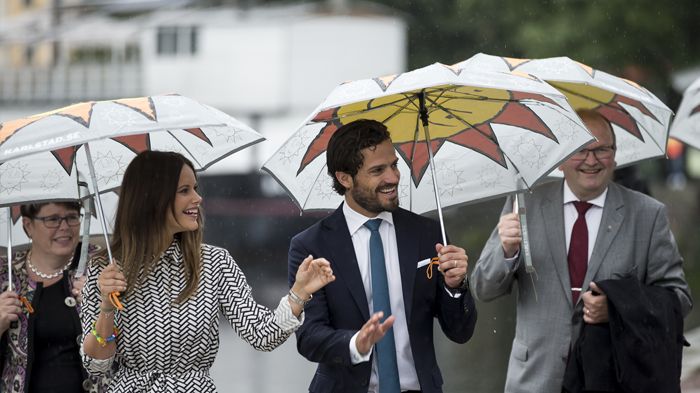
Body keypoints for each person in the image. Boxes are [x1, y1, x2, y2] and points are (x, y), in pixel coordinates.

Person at [471, 109, 692, 393]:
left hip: (612, 378)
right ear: (561, 158)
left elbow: (679, 299)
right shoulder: (524, 204)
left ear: (615, 156)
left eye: (602, 149)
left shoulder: (648, 215)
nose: (591, 160)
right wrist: (506, 251)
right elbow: (483, 288)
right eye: (580, 150)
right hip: (534, 380)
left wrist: (618, 308)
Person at [80, 150, 335, 392]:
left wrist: (299, 293)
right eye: (184, 190)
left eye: (195, 188)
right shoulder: (105, 269)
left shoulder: (215, 263)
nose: (198, 198)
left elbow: (262, 335)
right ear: (152, 198)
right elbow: (96, 365)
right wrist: (107, 307)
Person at [288, 119, 477, 393]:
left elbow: (460, 332)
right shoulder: (310, 246)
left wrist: (455, 287)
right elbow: (308, 338)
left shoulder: (428, 233)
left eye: (394, 165)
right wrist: (356, 343)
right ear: (345, 178)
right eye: (377, 170)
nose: (393, 178)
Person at [0, 201, 110, 392]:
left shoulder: (102, 266)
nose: (65, 226)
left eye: (72, 217)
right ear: (28, 225)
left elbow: (135, 339)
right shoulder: (5, 275)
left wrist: (103, 305)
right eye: (53, 219)